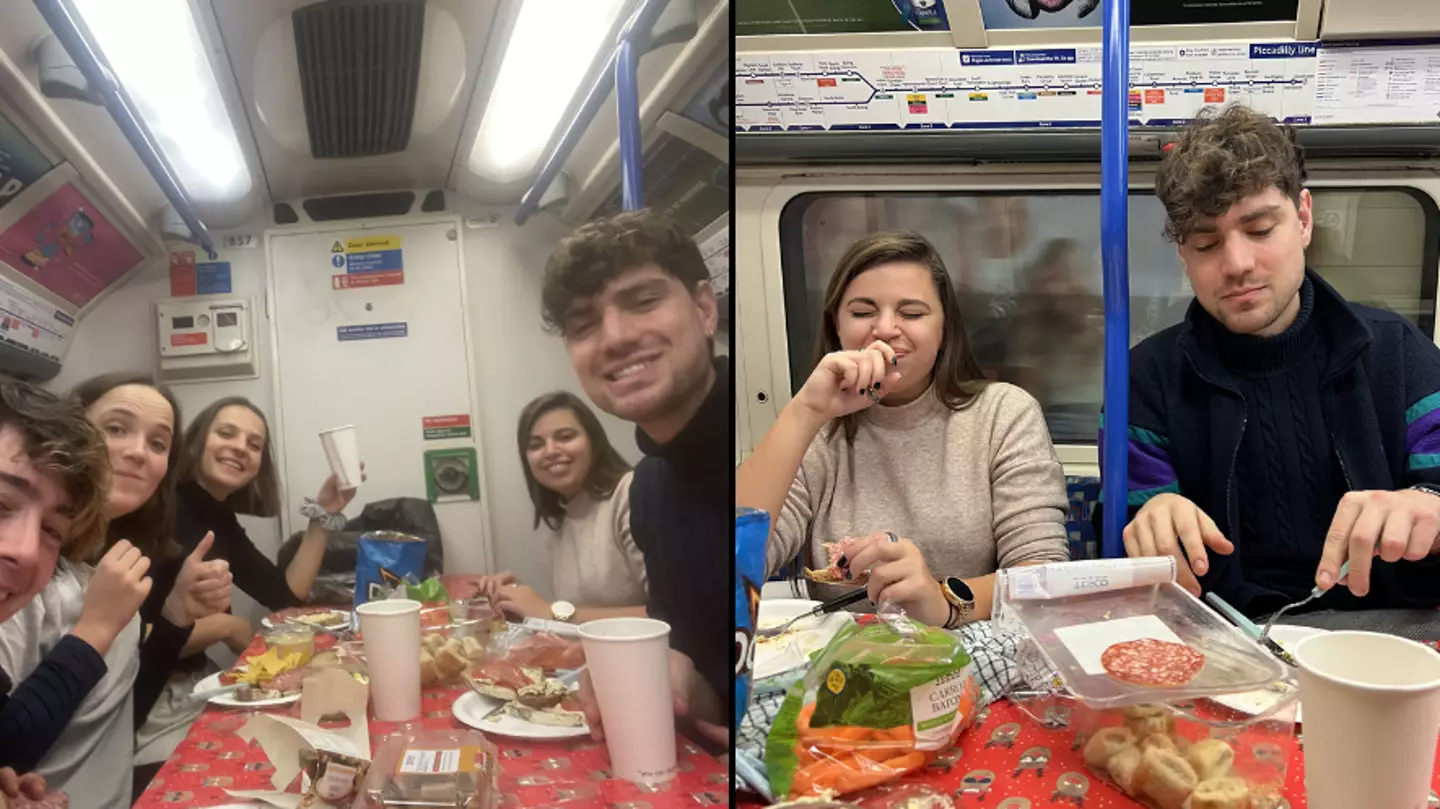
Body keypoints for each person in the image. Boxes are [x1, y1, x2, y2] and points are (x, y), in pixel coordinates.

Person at [1106, 104, 1440, 617]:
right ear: (1182, 254)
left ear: (1303, 218)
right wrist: (1152, 517)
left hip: (1389, 634)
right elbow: (1139, 569)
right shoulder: (1142, 383)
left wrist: (1426, 505)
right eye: (1206, 242)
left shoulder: (1399, 355)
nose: (1238, 264)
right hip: (1228, 638)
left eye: (1260, 230)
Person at [736, 231, 1070, 628]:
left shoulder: (1003, 414)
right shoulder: (816, 430)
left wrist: (944, 601)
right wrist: (804, 412)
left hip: (970, 648)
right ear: (836, 327)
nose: (886, 329)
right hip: (842, 660)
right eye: (862, 312)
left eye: (912, 313)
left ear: (944, 329)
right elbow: (733, 564)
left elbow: (1043, 576)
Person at [0, 373, 232, 808]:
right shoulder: (24, 581)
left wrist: (176, 615)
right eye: (116, 428)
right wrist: (95, 629)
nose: (137, 452)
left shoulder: (100, 567)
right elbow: (8, 747)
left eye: (158, 443)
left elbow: (118, 718)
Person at [540, 209, 728, 745]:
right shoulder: (650, 490)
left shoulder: (774, 433)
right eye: (584, 326)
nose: (616, 337)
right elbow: (713, 683)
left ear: (704, 307)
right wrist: (674, 678)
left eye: (643, 302)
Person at [134, 395, 361, 782]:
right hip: (145, 705)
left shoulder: (218, 516)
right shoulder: (157, 509)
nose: (241, 447)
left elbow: (284, 598)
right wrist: (227, 627)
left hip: (191, 682)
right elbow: (135, 642)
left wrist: (326, 514)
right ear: (195, 442)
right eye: (226, 433)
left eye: (254, 445)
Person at [476, 392, 646, 622]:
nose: (551, 451)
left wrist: (551, 612)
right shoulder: (556, 522)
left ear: (593, 443)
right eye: (536, 445)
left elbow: (676, 615)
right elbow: (580, 615)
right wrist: (515, 600)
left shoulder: (632, 495)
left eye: (565, 437)